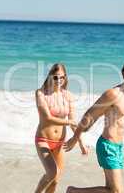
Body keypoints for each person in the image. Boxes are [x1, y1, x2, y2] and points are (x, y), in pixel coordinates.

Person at [64, 58, 124, 193]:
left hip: (118, 148)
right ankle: (73, 191)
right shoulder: (113, 94)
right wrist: (75, 138)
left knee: (110, 189)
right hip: (107, 146)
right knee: (116, 191)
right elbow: (90, 116)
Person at [34, 63, 88, 193]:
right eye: (56, 77)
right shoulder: (41, 93)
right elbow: (47, 118)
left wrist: (81, 142)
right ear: (50, 76)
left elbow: (73, 123)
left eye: (62, 77)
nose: (59, 80)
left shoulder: (68, 95)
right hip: (43, 139)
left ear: (65, 78)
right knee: (52, 173)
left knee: (56, 180)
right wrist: (70, 121)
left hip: (59, 143)